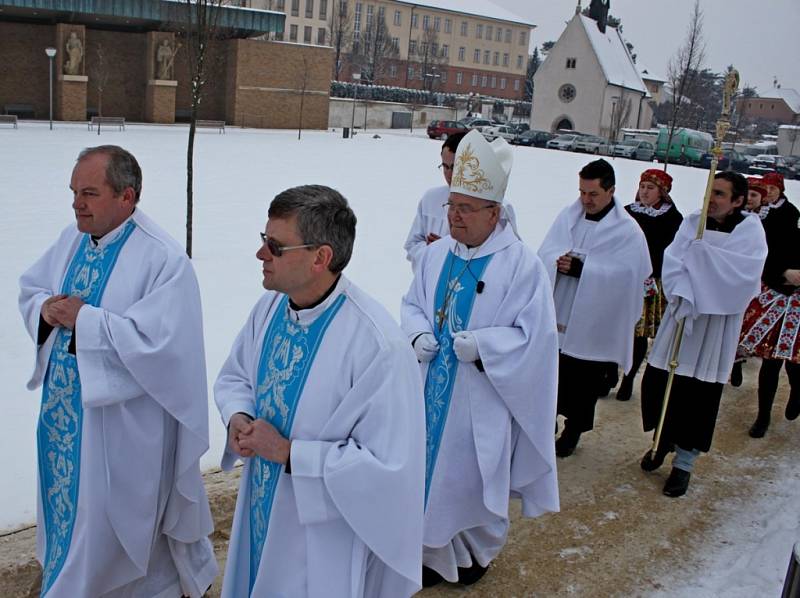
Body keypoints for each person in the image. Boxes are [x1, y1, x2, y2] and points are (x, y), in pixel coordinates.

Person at [18, 145, 217, 597]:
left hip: (124, 428)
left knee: (115, 521)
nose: (76, 204)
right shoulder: (72, 239)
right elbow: (31, 288)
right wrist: (44, 309)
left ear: (127, 197)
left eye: (89, 193)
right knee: (70, 507)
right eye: (73, 192)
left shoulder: (164, 261)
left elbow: (164, 349)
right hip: (65, 416)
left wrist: (85, 321)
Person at [215, 185, 425, 597]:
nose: (262, 254)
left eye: (275, 246)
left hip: (320, 540)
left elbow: (390, 471)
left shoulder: (378, 347)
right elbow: (236, 375)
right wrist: (238, 415)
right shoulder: (273, 307)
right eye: (264, 241)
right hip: (261, 504)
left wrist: (292, 454)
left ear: (320, 258)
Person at [401, 130, 559, 587]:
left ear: (495, 212)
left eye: (466, 209)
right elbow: (411, 304)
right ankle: (427, 553)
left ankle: (473, 553)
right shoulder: (434, 255)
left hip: (481, 402)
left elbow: (537, 341)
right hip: (430, 390)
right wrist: (415, 335)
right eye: (451, 206)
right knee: (427, 473)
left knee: (469, 478)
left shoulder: (521, 266)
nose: (454, 217)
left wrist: (486, 347)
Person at [640, 171, 767, 497]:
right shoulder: (694, 222)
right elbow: (673, 259)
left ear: (738, 201)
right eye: (710, 192)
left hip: (715, 323)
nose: (711, 200)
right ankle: (661, 441)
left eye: (720, 195)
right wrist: (691, 275)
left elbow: (742, 276)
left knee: (699, 395)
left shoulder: (750, 232)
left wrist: (700, 259)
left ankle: (684, 464)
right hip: (684, 314)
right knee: (662, 382)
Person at [538, 159, 651, 457]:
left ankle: (574, 429)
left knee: (582, 381)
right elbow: (545, 251)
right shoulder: (569, 217)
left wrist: (583, 269)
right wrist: (555, 262)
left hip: (593, 323)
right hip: (560, 309)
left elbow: (629, 276)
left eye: (593, 194)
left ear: (611, 191)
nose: (586, 200)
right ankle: (545, 421)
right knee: (552, 372)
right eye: (582, 193)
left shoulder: (627, 232)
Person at [738, 172, 800, 437]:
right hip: (777, 295)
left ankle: (797, 394)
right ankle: (763, 416)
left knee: (795, 364)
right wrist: (783, 274)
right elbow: (767, 256)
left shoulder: (788, 215)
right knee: (771, 362)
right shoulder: (782, 227)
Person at [404, 132, 517, 272]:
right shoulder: (431, 198)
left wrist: (447, 248)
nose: (449, 173)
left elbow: (504, 254)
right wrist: (432, 251)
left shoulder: (494, 206)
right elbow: (412, 244)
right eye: (445, 166)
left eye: (455, 166)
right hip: (431, 276)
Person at [616, 169, 683, 401]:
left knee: (637, 332)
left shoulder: (673, 219)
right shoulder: (626, 213)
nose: (644, 192)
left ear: (662, 192)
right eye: (642, 186)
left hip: (649, 282)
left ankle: (628, 377)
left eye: (650, 188)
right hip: (622, 278)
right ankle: (607, 373)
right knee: (615, 326)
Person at [729, 176, 768, 388]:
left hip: (763, 278)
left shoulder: (771, 218)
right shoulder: (736, 218)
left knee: (748, 324)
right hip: (740, 276)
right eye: (748, 195)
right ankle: (733, 363)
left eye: (755, 195)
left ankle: (739, 359)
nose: (750, 199)